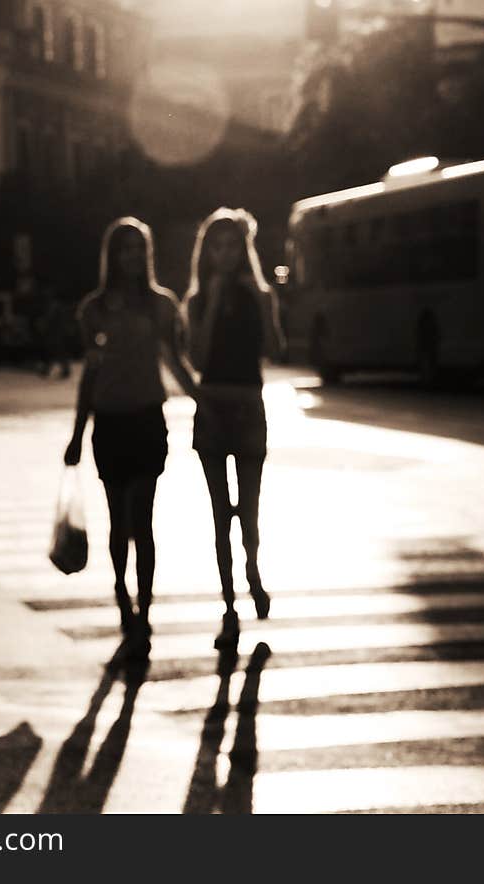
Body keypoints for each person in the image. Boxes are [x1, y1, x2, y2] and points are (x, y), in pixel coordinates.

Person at [64, 217, 203, 660]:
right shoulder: (94, 309)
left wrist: (204, 397)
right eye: (123, 249)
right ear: (112, 256)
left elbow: (175, 360)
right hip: (109, 421)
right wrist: (76, 432)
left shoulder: (161, 305)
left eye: (138, 249)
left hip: (146, 419)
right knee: (117, 522)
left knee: (141, 521)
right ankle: (121, 594)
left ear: (147, 255)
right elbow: (91, 372)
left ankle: (144, 610)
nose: (131, 257)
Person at [184, 208, 285, 649]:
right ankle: (228, 603)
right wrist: (216, 294)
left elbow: (276, 349)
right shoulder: (196, 300)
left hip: (248, 405)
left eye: (231, 245)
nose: (224, 254)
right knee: (219, 511)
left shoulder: (258, 294)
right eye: (216, 246)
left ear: (243, 251)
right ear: (207, 253)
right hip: (212, 406)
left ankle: (253, 572)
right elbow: (200, 360)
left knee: (250, 506)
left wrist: (262, 304)